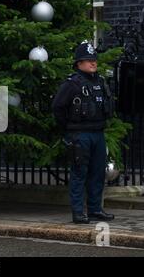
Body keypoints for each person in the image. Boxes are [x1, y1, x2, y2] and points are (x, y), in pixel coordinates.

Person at [52, 42, 115, 224]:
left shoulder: (101, 82)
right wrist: (69, 129)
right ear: (78, 63)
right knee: (79, 173)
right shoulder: (72, 84)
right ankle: (78, 212)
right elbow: (57, 108)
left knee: (97, 173)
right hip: (80, 135)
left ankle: (95, 210)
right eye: (88, 60)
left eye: (94, 59)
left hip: (98, 133)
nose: (93, 63)